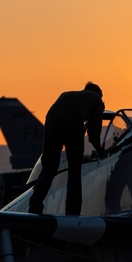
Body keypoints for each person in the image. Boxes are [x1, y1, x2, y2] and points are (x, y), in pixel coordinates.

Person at [27, 82, 106, 215]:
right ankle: (72, 210)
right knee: (74, 170)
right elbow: (93, 135)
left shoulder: (69, 95)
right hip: (72, 121)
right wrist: (102, 153)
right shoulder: (96, 100)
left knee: (49, 167)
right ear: (99, 94)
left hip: (51, 119)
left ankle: (35, 204)